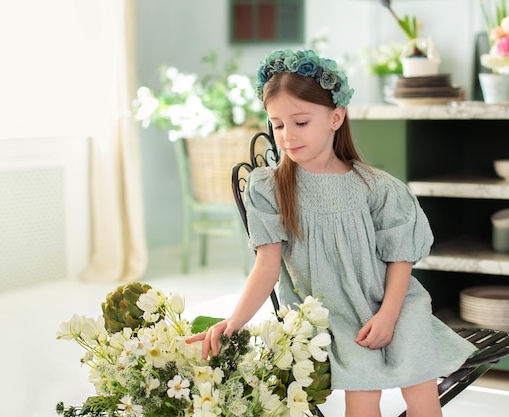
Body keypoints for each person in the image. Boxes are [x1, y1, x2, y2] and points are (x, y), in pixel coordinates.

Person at [187, 49, 477, 417]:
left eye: (301, 122)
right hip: (328, 316)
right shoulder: (271, 187)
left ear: (335, 117)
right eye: (277, 124)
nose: (287, 136)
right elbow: (267, 267)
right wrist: (233, 322)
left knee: (421, 386)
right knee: (363, 392)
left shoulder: (377, 187)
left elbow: (400, 258)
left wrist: (387, 315)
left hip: (393, 303)